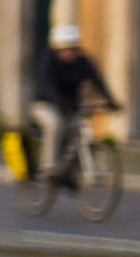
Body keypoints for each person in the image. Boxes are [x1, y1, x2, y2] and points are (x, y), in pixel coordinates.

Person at [33, 21, 124, 179]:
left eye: (73, 48)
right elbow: (46, 84)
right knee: (55, 125)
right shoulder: (48, 61)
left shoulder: (83, 62)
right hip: (45, 105)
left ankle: (74, 171)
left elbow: (97, 81)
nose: (70, 53)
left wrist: (111, 101)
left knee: (78, 129)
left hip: (70, 106)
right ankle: (49, 167)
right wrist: (57, 99)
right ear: (57, 48)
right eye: (65, 49)